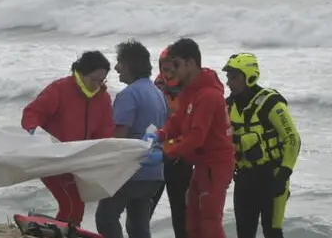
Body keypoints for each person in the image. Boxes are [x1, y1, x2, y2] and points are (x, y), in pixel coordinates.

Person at [146, 38, 235, 238]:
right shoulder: (190, 91)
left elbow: (196, 137)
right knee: (192, 222)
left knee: (210, 222)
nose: (173, 71)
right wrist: (160, 134)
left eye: (177, 65)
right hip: (201, 164)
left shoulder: (208, 95)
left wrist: (165, 153)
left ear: (191, 63)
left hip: (215, 165)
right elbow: (178, 121)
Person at [21, 50, 115, 226]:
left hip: (78, 161)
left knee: (77, 206)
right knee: (71, 203)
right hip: (52, 158)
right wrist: (34, 131)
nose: (97, 85)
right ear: (82, 73)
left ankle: (62, 229)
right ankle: (61, 230)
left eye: (101, 80)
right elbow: (32, 113)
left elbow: (105, 131)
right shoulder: (60, 89)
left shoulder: (103, 98)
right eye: (93, 79)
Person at [222, 53, 301, 238]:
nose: (228, 82)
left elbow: (293, 139)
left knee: (272, 232)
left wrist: (283, 175)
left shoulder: (271, 104)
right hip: (244, 179)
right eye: (228, 77)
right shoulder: (228, 106)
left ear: (249, 77)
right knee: (244, 234)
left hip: (272, 177)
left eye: (234, 77)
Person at [94, 40, 167, 238]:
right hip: (155, 172)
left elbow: (119, 138)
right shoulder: (158, 93)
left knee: (106, 218)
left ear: (130, 65)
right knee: (138, 226)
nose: (116, 68)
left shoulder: (129, 94)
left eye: (120, 63)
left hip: (131, 171)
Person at [148, 47, 193, 238]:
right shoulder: (155, 87)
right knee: (142, 214)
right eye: (164, 68)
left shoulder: (192, 90)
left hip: (180, 158)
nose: (167, 73)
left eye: (172, 68)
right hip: (156, 157)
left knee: (182, 216)